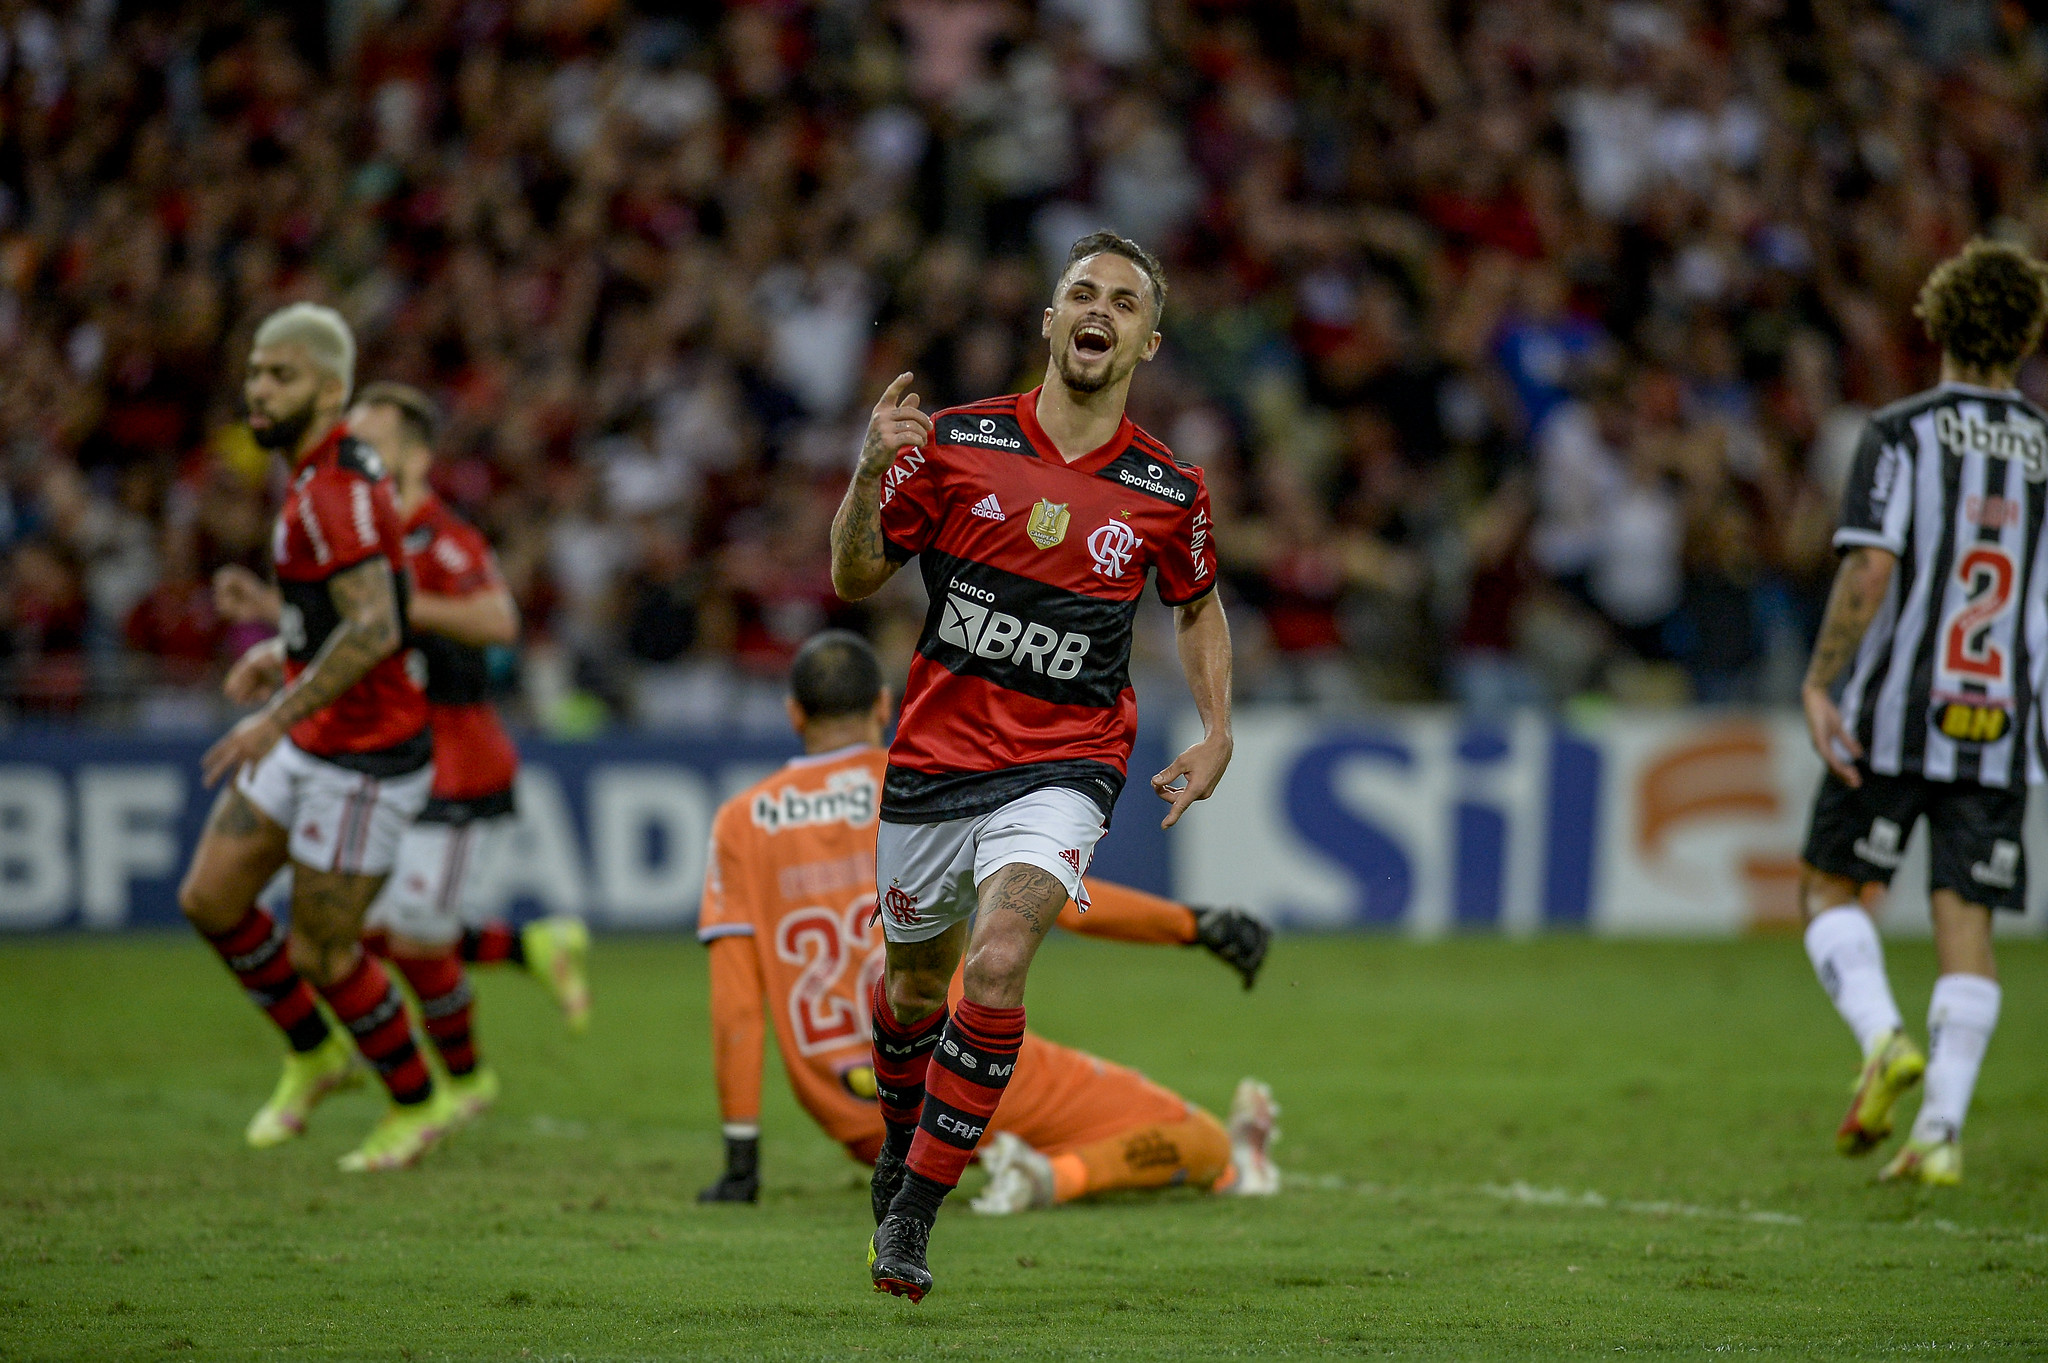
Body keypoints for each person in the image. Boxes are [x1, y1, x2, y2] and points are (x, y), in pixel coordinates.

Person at [829, 231, 1234, 1299]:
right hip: (932, 756)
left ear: (1146, 339)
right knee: (913, 986)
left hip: (1065, 759)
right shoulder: (955, 442)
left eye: (1123, 302)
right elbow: (855, 575)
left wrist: (1216, 727)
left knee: (998, 960)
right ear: (1050, 320)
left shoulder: (1166, 488)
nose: (1098, 310)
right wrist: (869, 470)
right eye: (1080, 293)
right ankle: (899, 1137)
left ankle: (914, 1210)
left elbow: (1195, 607)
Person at [695, 630, 1277, 1213]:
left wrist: (740, 1161)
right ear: (882, 703)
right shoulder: (925, 784)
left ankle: (1009, 1166)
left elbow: (736, 1004)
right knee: (1202, 1143)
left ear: (794, 713)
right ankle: (1053, 1178)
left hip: (857, 1116)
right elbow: (1039, 898)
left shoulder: (741, 820)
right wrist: (1192, 925)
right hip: (962, 1074)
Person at [213, 382, 593, 1125]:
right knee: (377, 928)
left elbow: (497, 619)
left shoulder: (442, 536)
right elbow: (347, 632)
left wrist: (393, 606)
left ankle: (462, 1081)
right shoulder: (363, 532)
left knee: (413, 929)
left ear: (417, 456)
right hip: (383, 753)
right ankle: (526, 952)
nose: (356, 448)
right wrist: (272, 616)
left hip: (455, 757)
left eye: (374, 436)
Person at [174, 303, 450, 1172]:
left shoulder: (334, 485)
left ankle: (416, 1103)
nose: (258, 388)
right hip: (315, 724)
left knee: (322, 952)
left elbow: (375, 627)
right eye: (256, 370)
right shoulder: (312, 470)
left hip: (366, 756)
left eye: (280, 375)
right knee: (212, 900)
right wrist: (285, 653)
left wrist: (274, 715)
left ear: (330, 389)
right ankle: (317, 1054)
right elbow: (337, 612)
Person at [1796, 239, 2048, 1187]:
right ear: (2027, 335)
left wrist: (1822, 681)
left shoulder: (1901, 433)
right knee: (1965, 922)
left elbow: (1870, 565)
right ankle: (1940, 1130)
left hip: (1897, 712)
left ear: (1936, 323)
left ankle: (1883, 1036)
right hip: (1999, 726)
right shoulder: (2047, 453)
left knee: (1826, 891)